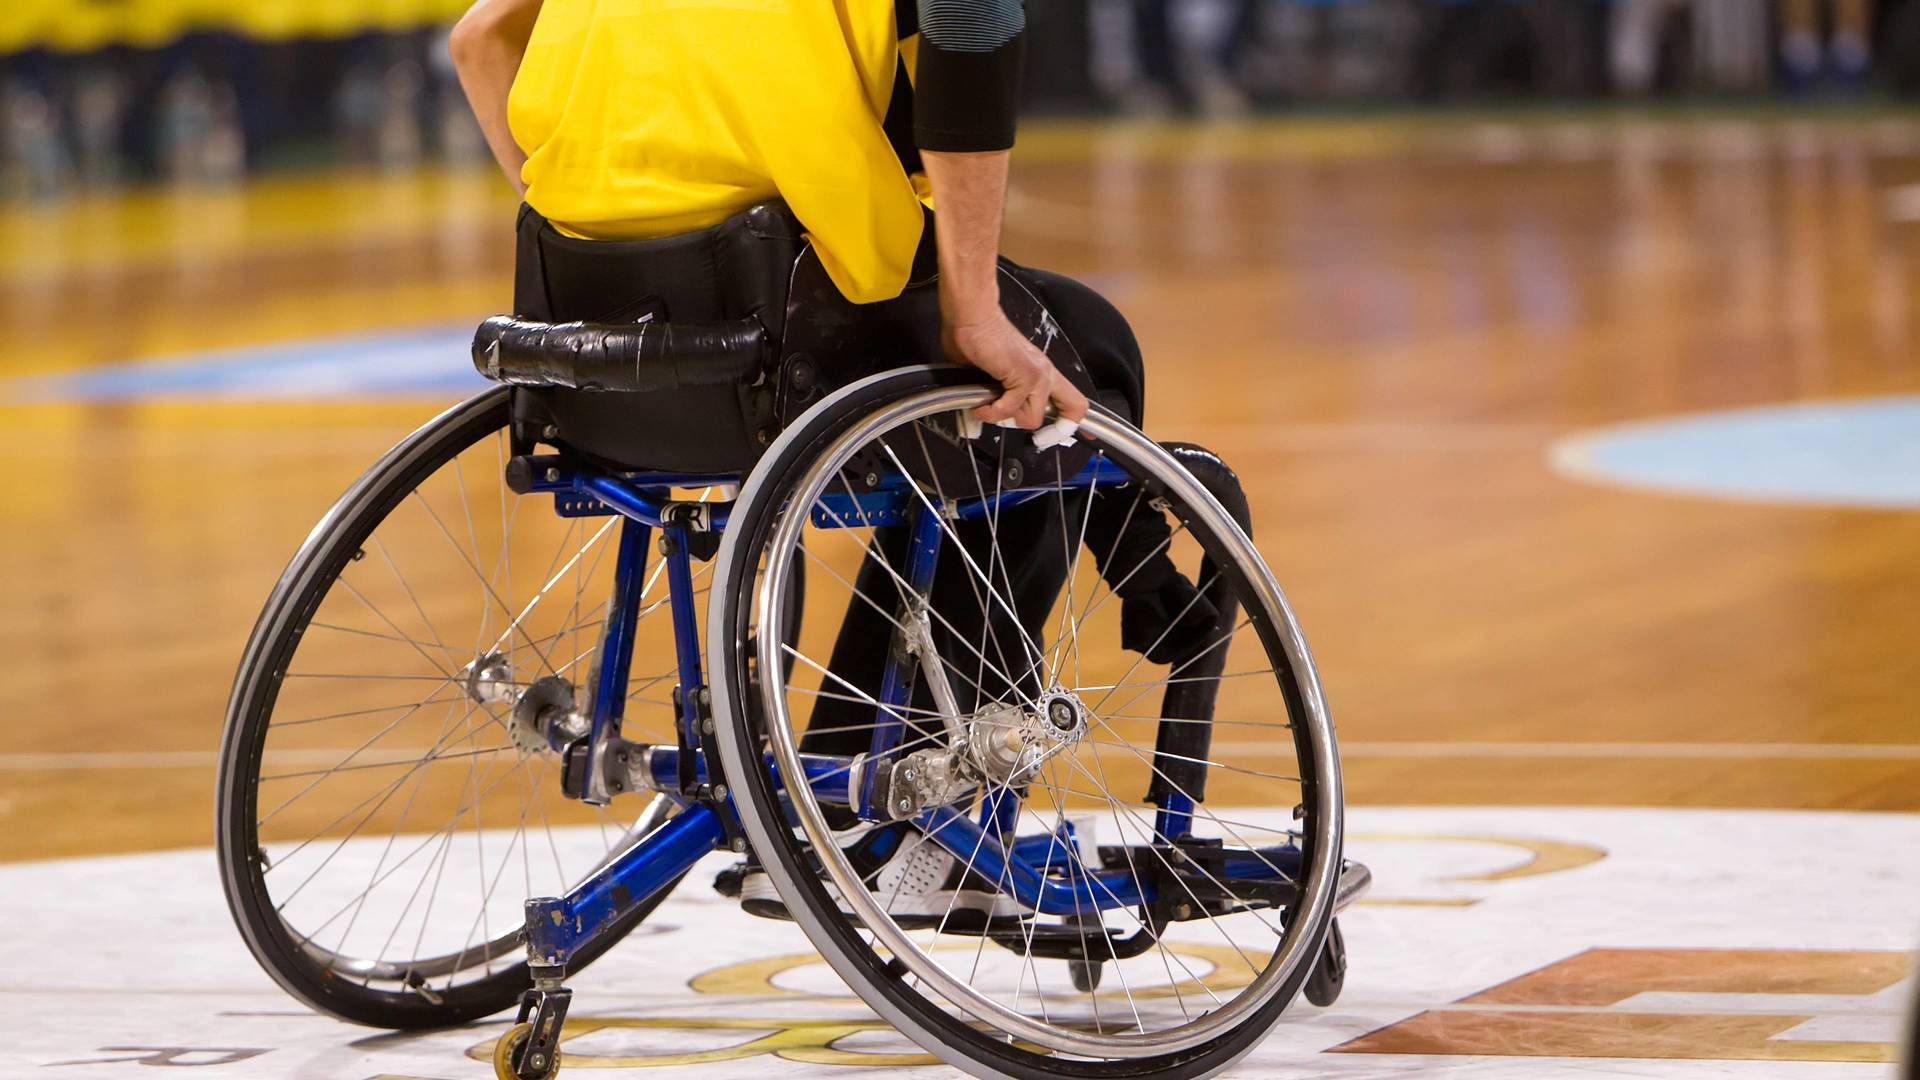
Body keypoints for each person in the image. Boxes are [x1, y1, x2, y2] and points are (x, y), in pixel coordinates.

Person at [450, 0, 1209, 918]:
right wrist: (972, 307)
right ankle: (902, 809)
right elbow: (973, 24)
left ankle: (850, 785)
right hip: (773, 307)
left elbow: (480, 38)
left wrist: (591, 234)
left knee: (985, 387)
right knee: (1068, 355)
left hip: (592, 333)